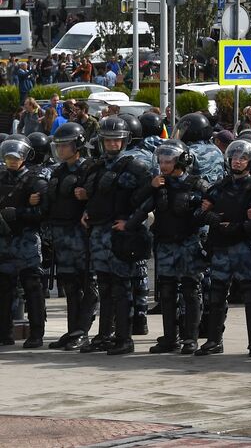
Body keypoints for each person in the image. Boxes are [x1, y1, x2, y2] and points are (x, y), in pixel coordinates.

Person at [80, 115, 154, 355]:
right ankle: (104, 335)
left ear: (125, 141)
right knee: (105, 286)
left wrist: (130, 223)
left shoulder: (136, 165)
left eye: (117, 140)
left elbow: (149, 198)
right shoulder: (98, 166)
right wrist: (86, 211)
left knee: (122, 288)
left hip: (120, 235)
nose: (113, 144)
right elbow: (96, 196)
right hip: (99, 234)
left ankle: (124, 337)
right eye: (108, 140)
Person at [196, 139, 251, 357]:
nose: (237, 161)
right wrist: (215, 220)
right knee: (217, 294)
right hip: (222, 247)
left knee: (250, 295)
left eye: (243, 158)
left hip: (246, 247)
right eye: (235, 157)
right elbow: (200, 214)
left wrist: (241, 226)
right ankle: (214, 340)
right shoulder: (219, 187)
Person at [134, 141, 207, 355]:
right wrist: (151, 186)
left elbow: (211, 207)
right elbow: (138, 202)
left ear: (182, 161)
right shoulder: (159, 184)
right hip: (165, 244)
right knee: (166, 292)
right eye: (162, 161)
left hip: (189, 243)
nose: (164, 165)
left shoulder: (196, 184)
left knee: (190, 290)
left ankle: (190, 338)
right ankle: (169, 337)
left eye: (169, 161)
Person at [43, 122, 98, 350]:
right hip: (62, 235)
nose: (61, 150)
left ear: (77, 145)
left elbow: (102, 199)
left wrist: (87, 196)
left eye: (65, 145)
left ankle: (82, 331)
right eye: (59, 146)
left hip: (82, 235)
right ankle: (72, 331)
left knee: (88, 283)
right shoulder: (58, 170)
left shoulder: (89, 169)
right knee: (70, 285)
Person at [0, 137, 48, 348]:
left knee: (32, 287)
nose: (12, 161)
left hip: (27, 239)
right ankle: (4, 333)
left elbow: (43, 212)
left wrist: (19, 212)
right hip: (4, 241)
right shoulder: (1, 178)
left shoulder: (34, 180)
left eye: (16, 157)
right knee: (3, 289)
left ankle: (36, 333)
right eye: (9, 157)